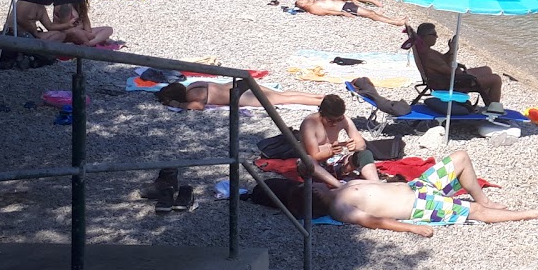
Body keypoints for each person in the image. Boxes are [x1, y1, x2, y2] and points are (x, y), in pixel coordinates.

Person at [319, 147, 538, 234]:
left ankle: (485, 199)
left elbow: (365, 160)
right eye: (308, 187)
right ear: (313, 197)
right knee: (473, 211)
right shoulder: (339, 208)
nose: (312, 184)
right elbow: (373, 222)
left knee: (461, 157)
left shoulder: (343, 186)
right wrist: (412, 227)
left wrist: (353, 156)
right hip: (420, 206)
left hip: (418, 186)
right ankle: (534, 213)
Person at [403, 21, 503, 105]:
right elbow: (450, 71)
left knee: (487, 69)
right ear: (425, 37)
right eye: (434, 34)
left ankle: (489, 103)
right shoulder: (429, 56)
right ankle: (493, 111)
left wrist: (451, 50)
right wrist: (453, 53)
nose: (437, 36)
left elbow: (444, 60)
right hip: (452, 82)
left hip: (450, 78)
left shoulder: (427, 51)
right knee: (496, 79)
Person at [299, 95, 379, 186]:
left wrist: (354, 146)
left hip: (335, 162)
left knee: (365, 154)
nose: (335, 123)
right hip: (316, 167)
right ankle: (339, 186)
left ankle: (376, 184)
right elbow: (314, 155)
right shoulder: (310, 124)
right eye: (331, 120)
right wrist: (330, 152)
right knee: (308, 161)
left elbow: (362, 144)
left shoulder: (344, 120)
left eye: (339, 119)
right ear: (321, 113)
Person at [156, 81, 326, 110]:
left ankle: (319, 103)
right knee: (281, 94)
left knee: (283, 100)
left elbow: (198, 106)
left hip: (240, 96)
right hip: (238, 85)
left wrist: (176, 105)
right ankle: (318, 96)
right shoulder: (193, 85)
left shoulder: (193, 95)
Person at [45, 0, 116, 46]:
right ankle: (91, 42)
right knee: (76, 32)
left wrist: (88, 32)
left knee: (109, 29)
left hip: (81, 31)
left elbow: (86, 20)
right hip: (67, 33)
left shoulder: (80, 3)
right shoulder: (65, 5)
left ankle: (90, 43)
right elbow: (67, 27)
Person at [294, 0, 409, 25]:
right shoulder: (312, 8)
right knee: (371, 14)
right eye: (301, 2)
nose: (303, 0)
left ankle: (394, 19)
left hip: (345, 5)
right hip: (344, 8)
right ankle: (396, 22)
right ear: (303, 6)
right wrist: (343, 13)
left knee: (371, 13)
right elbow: (327, 12)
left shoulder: (312, 3)